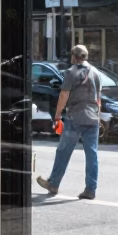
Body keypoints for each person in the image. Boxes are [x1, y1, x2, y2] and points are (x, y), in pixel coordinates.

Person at [36, 44, 101, 201]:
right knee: (92, 154)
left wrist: (57, 116)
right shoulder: (96, 73)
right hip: (92, 118)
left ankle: (53, 183)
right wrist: (98, 117)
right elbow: (99, 98)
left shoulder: (71, 72)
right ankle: (90, 189)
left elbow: (64, 95)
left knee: (63, 151)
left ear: (74, 56)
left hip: (75, 117)